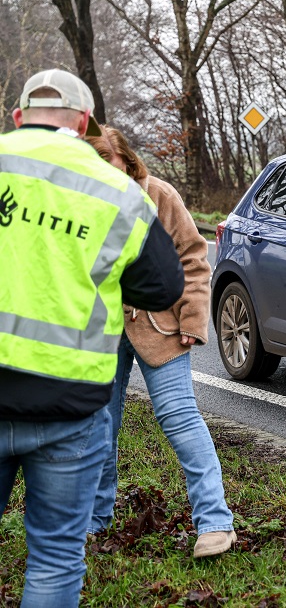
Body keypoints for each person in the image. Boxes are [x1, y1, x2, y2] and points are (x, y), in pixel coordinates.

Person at [0, 69, 184, 606]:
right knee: (56, 559)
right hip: (69, 406)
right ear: (83, 124)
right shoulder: (117, 193)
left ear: (17, 118)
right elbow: (161, 288)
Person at [86, 126, 237, 558]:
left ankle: (215, 523)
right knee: (100, 426)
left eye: (111, 166)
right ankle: (97, 521)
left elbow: (193, 258)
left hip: (160, 327)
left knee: (179, 417)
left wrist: (192, 319)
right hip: (101, 331)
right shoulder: (81, 203)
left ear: (128, 162)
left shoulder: (159, 195)